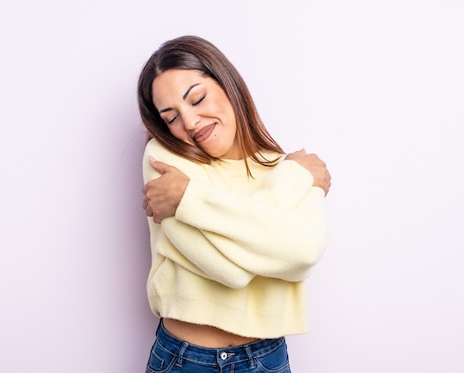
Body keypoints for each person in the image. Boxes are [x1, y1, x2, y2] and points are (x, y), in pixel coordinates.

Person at [138, 35, 331, 373]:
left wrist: (188, 197)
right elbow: (228, 272)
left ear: (227, 84)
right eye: (171, 118)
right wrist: (276, 223)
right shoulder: (165, 159)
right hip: (185, 360)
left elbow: (305, 251)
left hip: (266, 360)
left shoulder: (288, 170)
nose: (191, 122)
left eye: (197, 98)